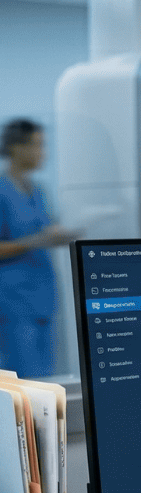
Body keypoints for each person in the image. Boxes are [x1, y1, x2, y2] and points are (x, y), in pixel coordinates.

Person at [0, 119, 76, 378]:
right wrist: (34, 241)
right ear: (16, 148)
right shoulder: (2, 191)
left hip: (42, 298)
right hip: (14, 303)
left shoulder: (38, 191)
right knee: (23, 382)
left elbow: (46, 231)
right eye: (37, 145)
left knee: (45, 379)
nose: (43, 153)